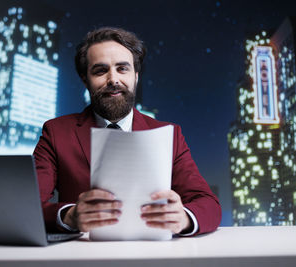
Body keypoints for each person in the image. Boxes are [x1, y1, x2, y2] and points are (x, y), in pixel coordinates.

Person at [33, 27, 221, 236]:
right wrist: (69, 216)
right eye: (100, 71)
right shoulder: (56, 133)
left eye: (122, 69)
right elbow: (27, 206)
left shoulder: (170, 135)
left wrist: (184, 218)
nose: (113, 80)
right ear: (85, 79)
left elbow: (209, 204)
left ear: (136, 76)